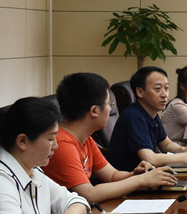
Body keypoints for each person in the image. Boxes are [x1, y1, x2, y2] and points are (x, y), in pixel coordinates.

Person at [44, 72, 178, 203]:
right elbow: (89, 194)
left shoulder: (86, 139)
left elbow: (112, 175)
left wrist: (138, 174)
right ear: (94, 111)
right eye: (109, 104)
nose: (110, 110)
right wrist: (141, 180)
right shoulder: (62, 144)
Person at [106, 66, 187, 171]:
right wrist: (186, 157)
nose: (164, 94)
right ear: (140, 92)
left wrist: (185, 150)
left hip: (147, 175)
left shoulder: (151, 113)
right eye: (157, 89)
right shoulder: (134, 116)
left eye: (166, 88)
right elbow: (150, 158)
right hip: (128, 178)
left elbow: (166, 144)